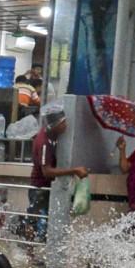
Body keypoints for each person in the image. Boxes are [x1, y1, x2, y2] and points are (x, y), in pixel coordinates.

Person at [26, 102, 88, 241]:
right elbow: (46, 172)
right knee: (35, 221)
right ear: (54, 125)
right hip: (40, 188)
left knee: (46, 221)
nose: (65, 126)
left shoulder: (52, 137)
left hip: (48, 187)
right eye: (63, 123)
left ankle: (37, 251)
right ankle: (29, 253)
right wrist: (73, 170)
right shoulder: (44, 142)